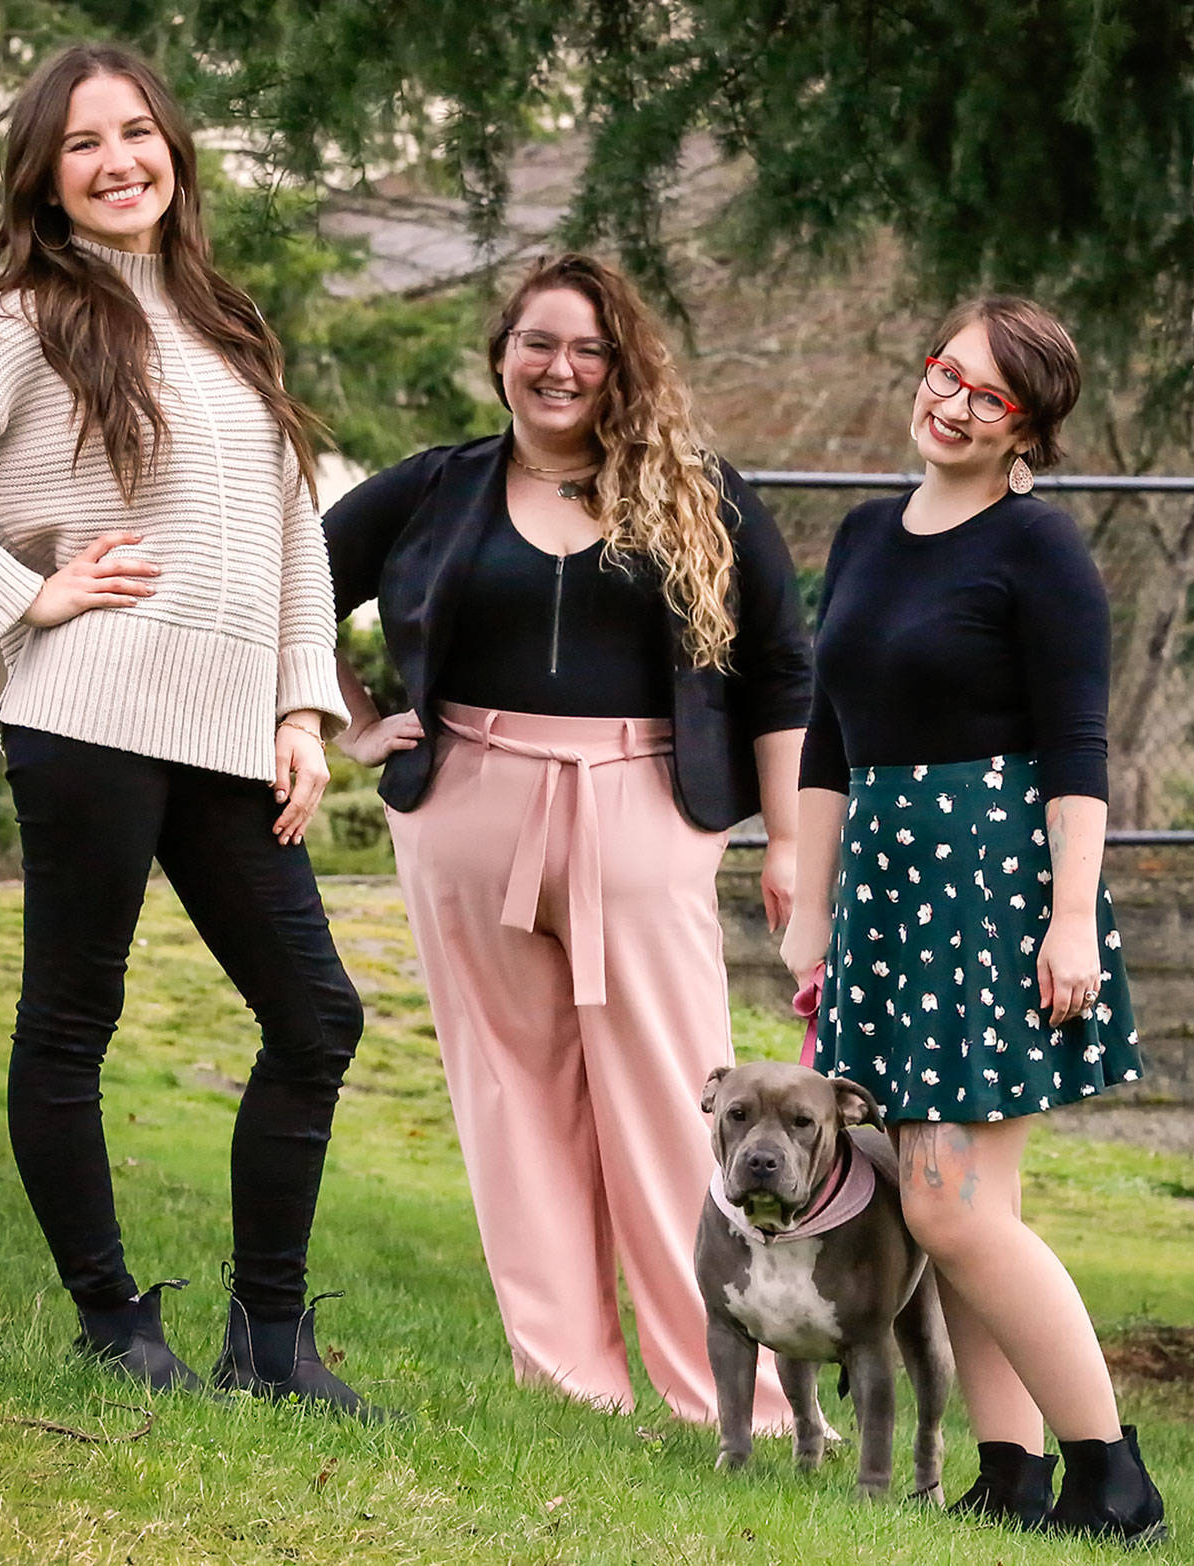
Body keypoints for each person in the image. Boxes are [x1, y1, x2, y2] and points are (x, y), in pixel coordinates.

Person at [0, 41, 382, 1415]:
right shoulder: (23, 322)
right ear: (48, 175)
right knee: (73, 1017)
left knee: (316, 1013)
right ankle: (110, 1316)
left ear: (174, 153)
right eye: (83, 143)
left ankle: (268, 1336)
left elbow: (286, 538)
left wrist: (300, 709)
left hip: (227, 729)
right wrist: (24, 595)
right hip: (89, 713)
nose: (118, 159)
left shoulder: (226, 322)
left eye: (137, 132)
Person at [322, 254, 809, 1428]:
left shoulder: (699, 493)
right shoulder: (433, 490)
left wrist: (788, 843)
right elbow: (292, 591)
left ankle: (727, 1392)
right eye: (538, 343)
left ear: (619, 366)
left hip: (642, 812)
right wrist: (348, 726)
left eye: (588, 349)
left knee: (673, 1100)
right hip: (466, 813)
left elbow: (785, 666)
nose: (560, 368)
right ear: (500, 354)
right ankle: (568, 1381)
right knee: (511, 1101)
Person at [779, 296, 1167, 1541]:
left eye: (983, 395)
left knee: (944, 1205)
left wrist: (1067, 917)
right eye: (943, 371)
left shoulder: (1035, 547)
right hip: (889, 888)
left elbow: (1074, 748)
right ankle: (1011, 1478)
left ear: (1025, 433)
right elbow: (830, 737)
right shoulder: (860, 533)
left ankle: (1113, 1478)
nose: (946, 401)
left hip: (988, 889)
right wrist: (809, 911)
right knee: (965, 1217)